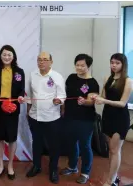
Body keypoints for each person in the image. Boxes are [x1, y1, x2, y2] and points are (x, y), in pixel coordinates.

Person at [25, 52, 66, 184]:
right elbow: (29, 94)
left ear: (51, 62)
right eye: (39, 60)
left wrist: (58, 101)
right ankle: (36, 166)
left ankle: (53, 169)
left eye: (45, 60)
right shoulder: (32, 75)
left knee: (54, 145)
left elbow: (62, 95)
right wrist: (28, 111)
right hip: (35, 116)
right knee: (36, 143)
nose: (41, 62)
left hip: (52, 117)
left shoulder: (57, 76)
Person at [59, 54, 99, 184]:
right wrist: (63, 110)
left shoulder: (92, 83)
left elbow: (91, 102)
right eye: (77, 65)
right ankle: (72, 167)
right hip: (70, 117)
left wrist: (84, 102)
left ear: (88, 66)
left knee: (85, 146)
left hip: (85, 119)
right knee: (71, 143)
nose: (79, 68)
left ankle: (85, 172)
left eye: (82, 65)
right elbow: (65, 95)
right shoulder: (71, 78)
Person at [0, 45, 25, 180]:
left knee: (12, 137)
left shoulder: (19, 71)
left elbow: (22, 89)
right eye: (4, 54)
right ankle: (0, 165)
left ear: (13, 56)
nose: (7, 57)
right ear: (0, 56)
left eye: (9, 55)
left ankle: (10, 166)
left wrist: (20, 97)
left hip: (13, 107)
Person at [93, 53, 131, 186]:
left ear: (123, 65)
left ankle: (110, 180)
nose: (114, 65)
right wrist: (96, 98)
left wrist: (104, 100)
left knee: (115, 150)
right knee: (111, 149)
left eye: (117, 63)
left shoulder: (127, 81)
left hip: (120, 118)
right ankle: (113, 176)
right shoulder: (107, 78)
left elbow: (122, 103)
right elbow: (103, 96)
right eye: (112, 62)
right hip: (107, 116)